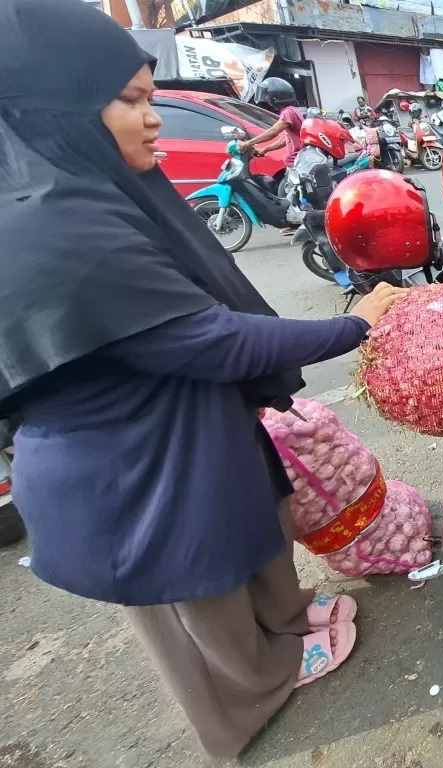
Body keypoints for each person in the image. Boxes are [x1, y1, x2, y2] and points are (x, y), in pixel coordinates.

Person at [0, 0, 409, 758]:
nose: (153, 119)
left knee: (244, 543)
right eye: (130, 101)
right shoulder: (44, 226)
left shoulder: (90, 190)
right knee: (198, 599)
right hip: (127, 471)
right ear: (56, 111)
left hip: (181, 431)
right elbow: (210, 339)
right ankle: (250, 701)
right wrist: (360, 323)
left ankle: (282, 639)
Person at [238, 77, 303, 168]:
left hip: (297, 163)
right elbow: (285, 140)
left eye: (267, 96)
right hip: (297, 162)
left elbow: (273, 132)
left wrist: (248, 143)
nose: (267, 100)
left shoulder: (288, 112)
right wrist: (265, 149)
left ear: (276, 97)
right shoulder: (293, 111)